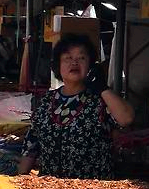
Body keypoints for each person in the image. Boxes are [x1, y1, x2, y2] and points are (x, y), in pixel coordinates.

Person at [17, 32, 134, 179]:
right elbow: (31, 145)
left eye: (81, 58)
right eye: (68, 58)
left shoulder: (101, 99)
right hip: (50, 188)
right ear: (58, 65)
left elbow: (126, 119)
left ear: (91, 65)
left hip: (95, 187)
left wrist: (102, 87)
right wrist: (19, 179)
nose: (74, 63)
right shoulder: (46, 101)